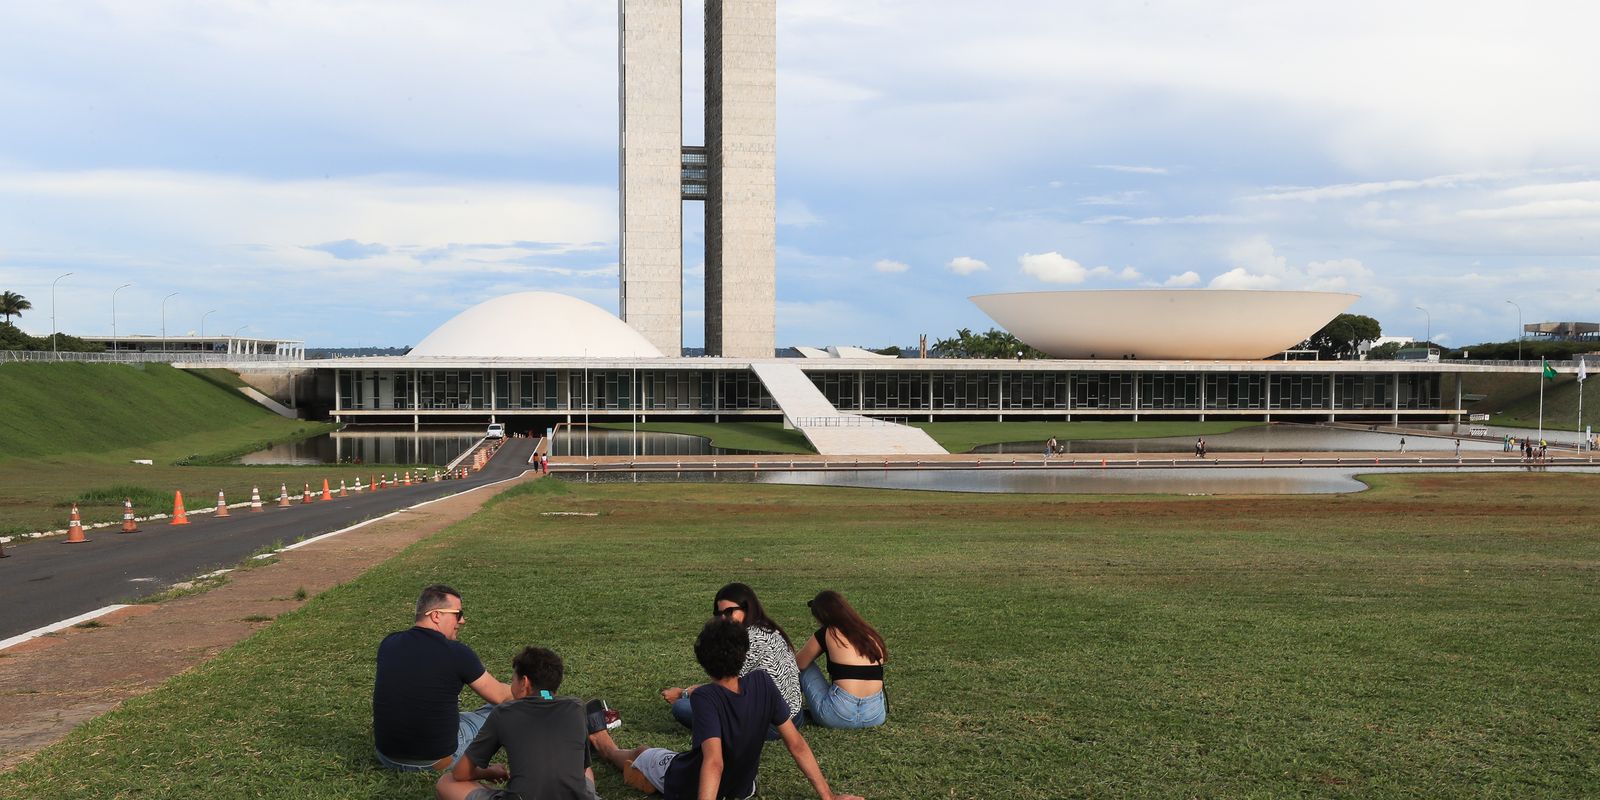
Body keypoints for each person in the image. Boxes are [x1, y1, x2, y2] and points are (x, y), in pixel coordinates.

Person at [592, 618, 863, 800]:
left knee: (642, 752)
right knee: (663, 758)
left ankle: (604, 745)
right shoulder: (763, 681)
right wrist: (828, 796)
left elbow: (713, 762)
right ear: (744, 653)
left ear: (703, 661)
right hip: (743, 788)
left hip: (691, 786)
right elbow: (797, 744)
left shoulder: (706, 697)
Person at [374, 584, 513, 772]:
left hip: (387, 756)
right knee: (502, 710)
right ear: (436, 615)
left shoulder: (388, 643)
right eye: (458, 614)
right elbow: (501, 696)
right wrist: (537, 692)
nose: (462, 621)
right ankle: (546, 710)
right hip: (436, 760)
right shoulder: (456, 653)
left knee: (469, 715)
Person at [436, 646, 599, 800]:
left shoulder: (504, 713)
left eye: (513, 679)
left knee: (447, 782)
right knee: (584, 770)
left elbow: (461, 773)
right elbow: (582, 768)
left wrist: (489, 772)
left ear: (524, 682)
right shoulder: (577, 708)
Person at [661, 583, 802, 737]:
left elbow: (727, 688)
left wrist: (684, 694)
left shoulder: (747, 640)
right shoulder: (769, 629)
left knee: (682, 708)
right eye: (718, 614)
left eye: (729, 612)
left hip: (772, 725)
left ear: (747, 608)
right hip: (796, 717)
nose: (723, 618)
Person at [794, 591, 887, 729]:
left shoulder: (828, 632)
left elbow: (799, 664)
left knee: (806, 665)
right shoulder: (869, 634)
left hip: (837, 715)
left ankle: (787, 708)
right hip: (875, 716)